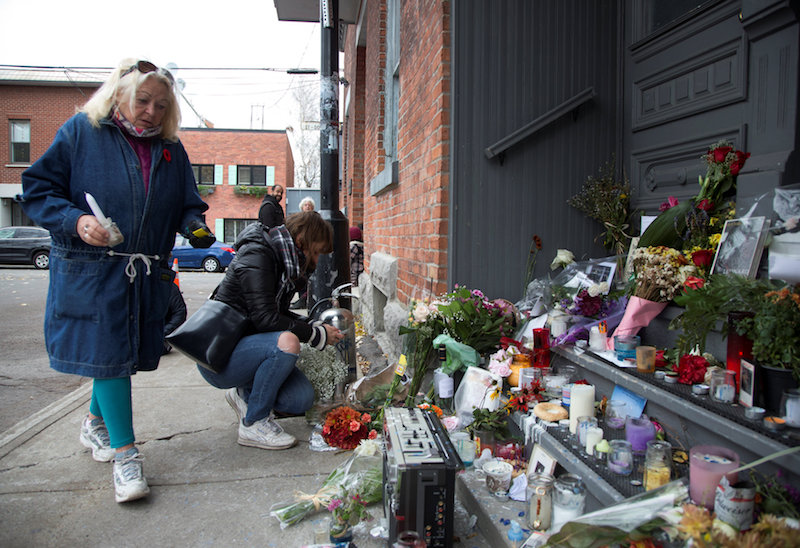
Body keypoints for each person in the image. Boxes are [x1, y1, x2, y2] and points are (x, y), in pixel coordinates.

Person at [20, 58, 215, 503]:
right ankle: (126, 455)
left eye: (162, 105)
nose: (151, 111)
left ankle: (94, 423)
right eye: (143, 100)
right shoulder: (81, 133)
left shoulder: (170, 150)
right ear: (118, 96)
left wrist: (194, 225)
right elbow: (36, 190)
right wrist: (76, 220)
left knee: (117, 357)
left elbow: (188, 202)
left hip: (144, 273)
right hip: (92, 270)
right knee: (110, 355)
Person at [196, 211, 344, 450]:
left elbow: (276, 314)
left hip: (248, 347)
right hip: (219, 358)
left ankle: (244, 394)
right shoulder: (258, 255)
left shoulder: (283, 262)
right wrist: (316, 335)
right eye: (315, 252)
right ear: (301, 242)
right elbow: (265, 318)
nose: (315, 261)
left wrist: (313, 326)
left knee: (300, 399)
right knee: (287, 342)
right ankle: (253, 423)